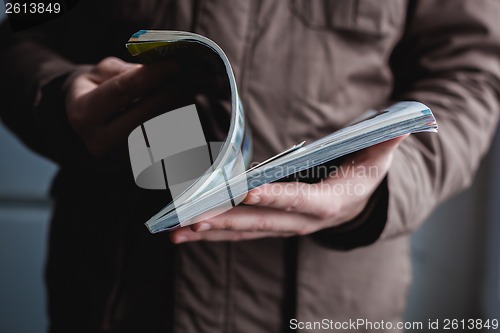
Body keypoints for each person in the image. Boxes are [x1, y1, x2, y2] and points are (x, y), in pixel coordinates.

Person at [1, 1, 499, 332]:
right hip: (112, 294)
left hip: (333, 304)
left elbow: (472, 72)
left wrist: (382, 183)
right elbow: (23, 26)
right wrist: (55, 94)